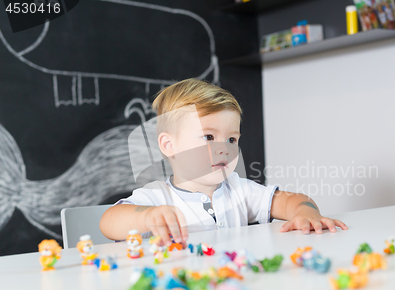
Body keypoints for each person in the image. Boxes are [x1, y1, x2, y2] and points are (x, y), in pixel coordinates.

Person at [100, 79, 347, 247]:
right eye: (208, 137)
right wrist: (147, 218)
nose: (224, 149)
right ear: (168, 145)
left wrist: (306, 212)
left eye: (231, 139)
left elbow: (292, 199)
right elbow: (109, 221)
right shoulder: (157, 198)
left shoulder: (239, 191)